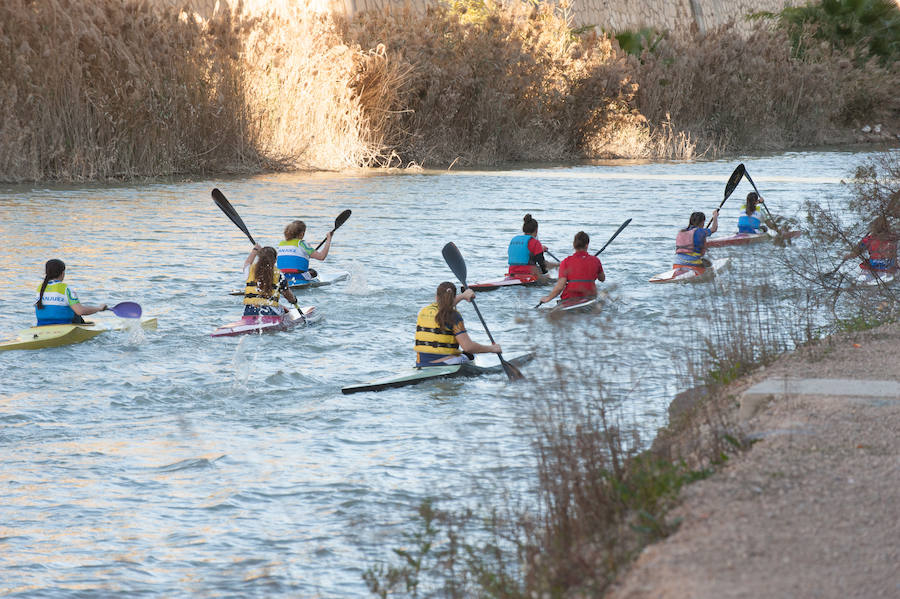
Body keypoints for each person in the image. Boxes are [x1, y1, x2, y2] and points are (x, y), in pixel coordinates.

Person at [414, 282, 501, 367]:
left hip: (421, 363)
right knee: (470, 355)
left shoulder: (423, 311)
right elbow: (468, 347)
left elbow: (444, 306)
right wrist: (492, 349)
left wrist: (463, 296)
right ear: (454, 296)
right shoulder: (454, 316)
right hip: (444, 363)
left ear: (436, 297)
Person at [538, 231, 604, 305]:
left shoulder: (565, 262)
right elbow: (602, 279)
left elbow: (560, 286)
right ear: (587, 245)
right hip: (590, 297)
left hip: (570, 298)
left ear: (574, 245)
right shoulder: (596, 260)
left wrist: (548, 298)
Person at [34, 259, 108, 326]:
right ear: (63, 273)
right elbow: (80, 311)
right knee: (75, 309)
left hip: (41, 325)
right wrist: (99, 308)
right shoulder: (66, 288)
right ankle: (84, 325)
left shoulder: (39, 288)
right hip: (63, 326)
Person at [243, 245, 298, 317]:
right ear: (275, 260)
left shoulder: (249, 270)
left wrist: (255, 250)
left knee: (280, 307)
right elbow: (287, 295)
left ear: (259, 258)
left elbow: (247, 262)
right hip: (270, 312)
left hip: (249, 312)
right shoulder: (279, 275)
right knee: (285, 311)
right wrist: (294, 300)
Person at [277, 220, 332, 285]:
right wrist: (329, 239)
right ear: (302, 233)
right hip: (299, 277)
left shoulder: (281, 244)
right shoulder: (302, 243)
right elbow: (322, 256)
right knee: (313, 272)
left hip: (282, 277)